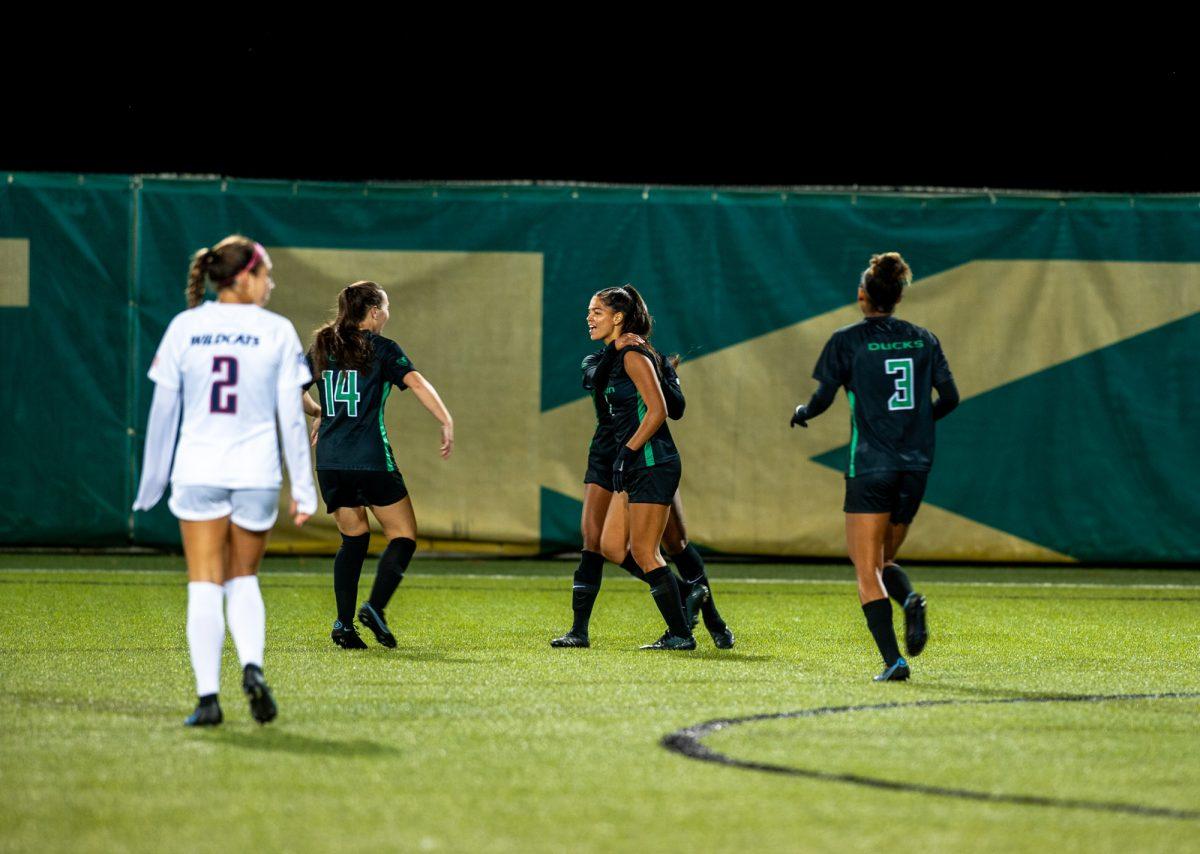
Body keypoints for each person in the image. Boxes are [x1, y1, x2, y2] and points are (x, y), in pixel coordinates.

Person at [133, 235, 317, 726]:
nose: (271, 283)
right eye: (267, 274)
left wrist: (151, 483)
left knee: (204, 584)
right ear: (244, 278)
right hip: (256, 473)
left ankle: (208, 699)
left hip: (198, 472)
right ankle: (252, 668)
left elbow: (162, 414)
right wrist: (304, 487)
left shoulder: (184, 328)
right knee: (243, 579)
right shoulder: (278, 331)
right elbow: (292, 419)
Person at [790, 252, 958, 681]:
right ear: (899, 295)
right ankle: (910, 601)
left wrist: (804, 411)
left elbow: (824, 398)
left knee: (867, 569)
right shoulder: (924, 338)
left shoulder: (847, 340)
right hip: (916, 467)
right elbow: (950, 398)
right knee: (883, 560)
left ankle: (894, 661)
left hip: (871, 465)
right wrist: (916, 423)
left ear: (863, 296)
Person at [551, 311, 733, 649]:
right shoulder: (599, 358)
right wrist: (619, 349)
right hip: (608, 454)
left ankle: (711, 618)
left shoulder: (645, 359)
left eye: (597, 311)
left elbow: (672, 408)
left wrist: (663, 372)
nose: (588, 317)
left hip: (641, 454)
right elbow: (593, 378)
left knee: (672, 543)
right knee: (599, 543)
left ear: (620, 317)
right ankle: (581, 630)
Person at [302, 281, 453, 650]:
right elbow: (417, 384)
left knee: (352, 541)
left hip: (331, 462)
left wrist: (321, 412)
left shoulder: (323, 345)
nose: (387, 314)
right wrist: (445, 420)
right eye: (385, 308)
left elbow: (291, 389)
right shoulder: (382, 349)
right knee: (403, 536)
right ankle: (375, 606)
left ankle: (343, 624)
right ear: (373, 312)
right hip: (369, 459)